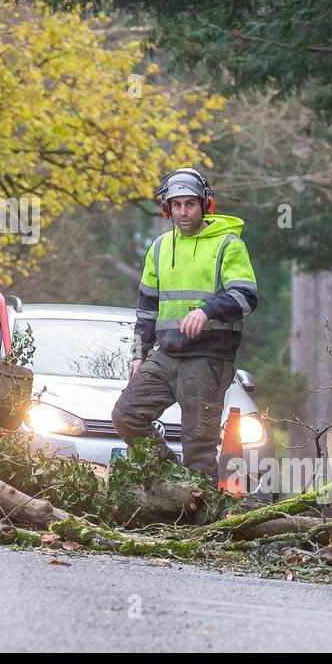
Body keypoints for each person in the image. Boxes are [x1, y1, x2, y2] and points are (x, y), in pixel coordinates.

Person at [112, 168, 258, 481]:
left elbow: (246, 297)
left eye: (189, 204)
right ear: (166, 208)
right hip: (167, 355)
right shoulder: (160, 248)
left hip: (209, 359)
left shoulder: (228, 245)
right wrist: (139, 354)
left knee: (199, 450)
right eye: (175, 205)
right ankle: (173, 477)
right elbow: (146, 310)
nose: (182, 212)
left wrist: (207, 311)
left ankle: (200, 520)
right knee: (126, 415)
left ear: (205, 204)